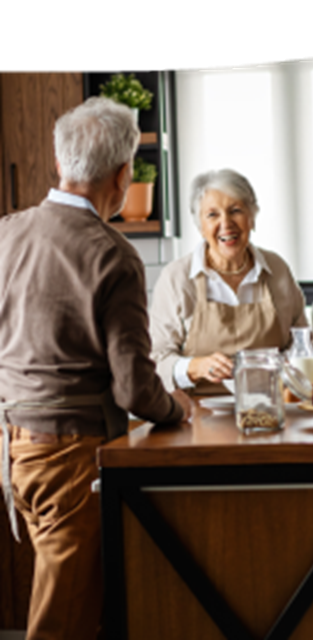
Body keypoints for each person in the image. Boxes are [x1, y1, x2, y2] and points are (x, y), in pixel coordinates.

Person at [0, 96, 192, 640]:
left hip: (15, 450)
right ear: (123, 175)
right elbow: (135, 387)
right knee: (62, 624)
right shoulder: (112, 253)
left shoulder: (5, 233)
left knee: (77, 606)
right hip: (71, 457)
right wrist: (174, 409)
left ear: (60, 163)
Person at [150, 169, 308, 394]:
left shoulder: (277, 270)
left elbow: (301, 345)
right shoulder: (176, 278)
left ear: (252, 217)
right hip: (196, 418)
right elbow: (156, 361)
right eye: (212, 215)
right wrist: (195, 367)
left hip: (269, 410)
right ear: (200, 226)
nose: (226, 223)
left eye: (235, 211)